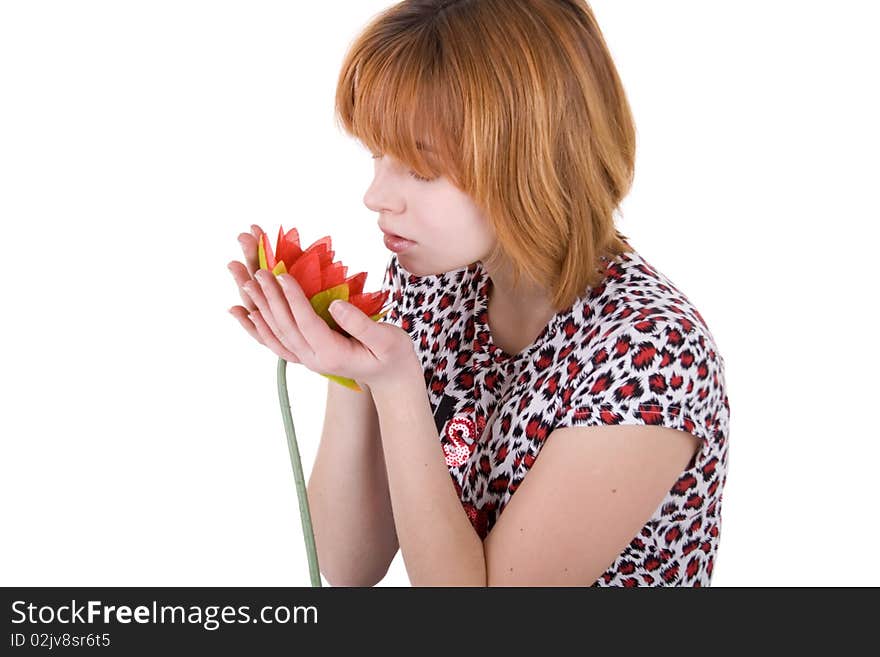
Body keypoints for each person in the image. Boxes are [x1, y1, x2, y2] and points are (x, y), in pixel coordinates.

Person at [229, 0, 729, 587]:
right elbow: (345, 566)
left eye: (421, 169)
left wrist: (395, 385)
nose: (376, 195)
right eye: (376, 154)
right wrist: (349, 364)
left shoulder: (651, 354)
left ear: (533, 157)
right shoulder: (435, 283)